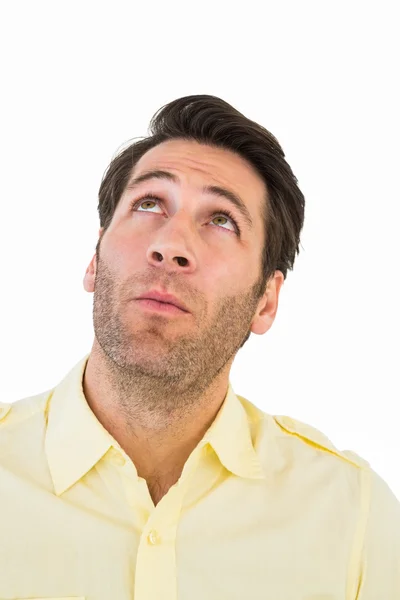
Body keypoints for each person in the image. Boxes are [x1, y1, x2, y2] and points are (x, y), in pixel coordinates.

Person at [0, 94, 398, 600]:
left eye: (221, 220)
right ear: (94, 261)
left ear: (266, 301)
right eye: (149, 204)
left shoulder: (354, 516)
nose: (171, 245)